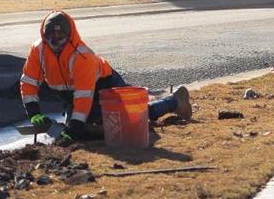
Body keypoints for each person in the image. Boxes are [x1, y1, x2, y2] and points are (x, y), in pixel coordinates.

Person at [20, 10, 191, 145]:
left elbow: (84, 96)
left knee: (130, 120)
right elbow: (28, 82)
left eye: (60, 38)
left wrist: (75, 127)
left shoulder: (82, 56)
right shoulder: (38, 50)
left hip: (105, 85)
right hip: (71, 95)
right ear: (44, 35)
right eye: (50, 37)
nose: (55, 42)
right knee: (83, 130)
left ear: (69, 36)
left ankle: (175, 101)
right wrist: (34, 113)